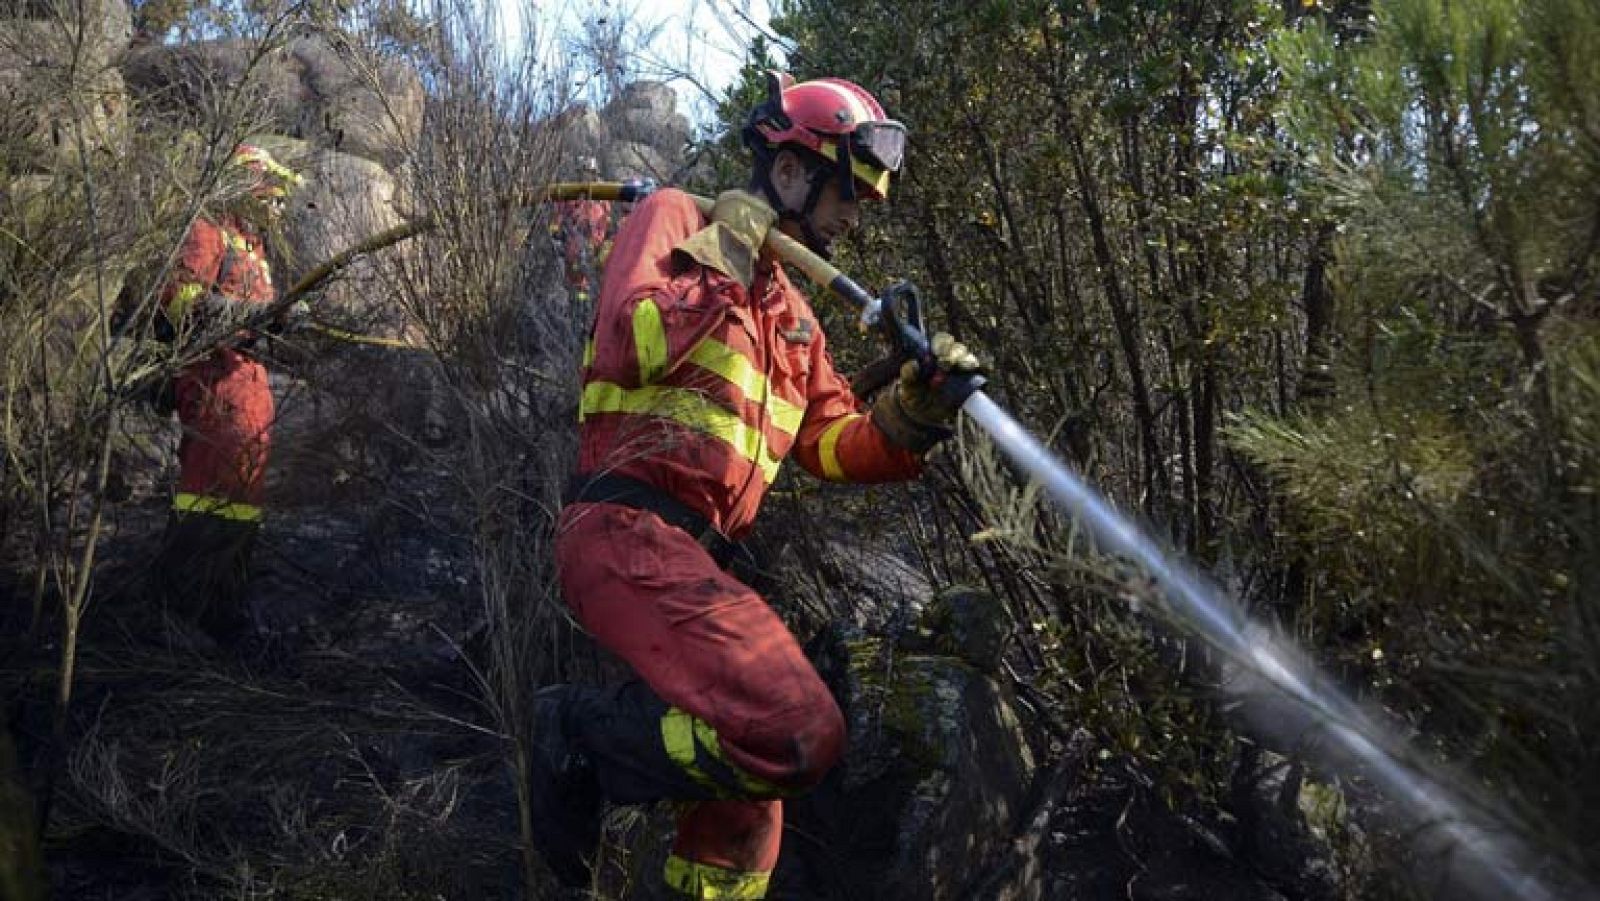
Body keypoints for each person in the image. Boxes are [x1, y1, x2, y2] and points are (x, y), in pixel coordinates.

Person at [533, 73, 982, 899]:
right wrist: (727, 256)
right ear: (788, 172)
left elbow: (834, 446)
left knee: (751, 805)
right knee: (796, 731)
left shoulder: (794, 318)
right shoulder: (674, 219)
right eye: (847, 191)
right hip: (624, 533)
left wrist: (915, 413)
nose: (854, 216)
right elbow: (632, 344)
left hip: (698, 560)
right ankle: (579, 734)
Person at [146, 143, 303, 644]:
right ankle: (182, 617)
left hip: (250, 389)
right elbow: (177, 298)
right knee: (206, 498)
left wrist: (283, 321)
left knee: (242, 504)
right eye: (270, 190)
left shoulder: (255, 248)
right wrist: (238, 314)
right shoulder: (207, 229)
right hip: (213, 382)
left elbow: (261, 316)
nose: (277, 201)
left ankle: (223, 610)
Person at [551, 156, 613, 303]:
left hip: (594, 250)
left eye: (589, 173)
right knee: (574, 283)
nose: (586, 177)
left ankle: (586, 305)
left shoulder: (603, 196)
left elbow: (605, 222)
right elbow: (557, 218)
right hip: (573, 247)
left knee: (591, 286)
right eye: (583, 172)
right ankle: (576, 304)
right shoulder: (569, 195)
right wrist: (556, 235)